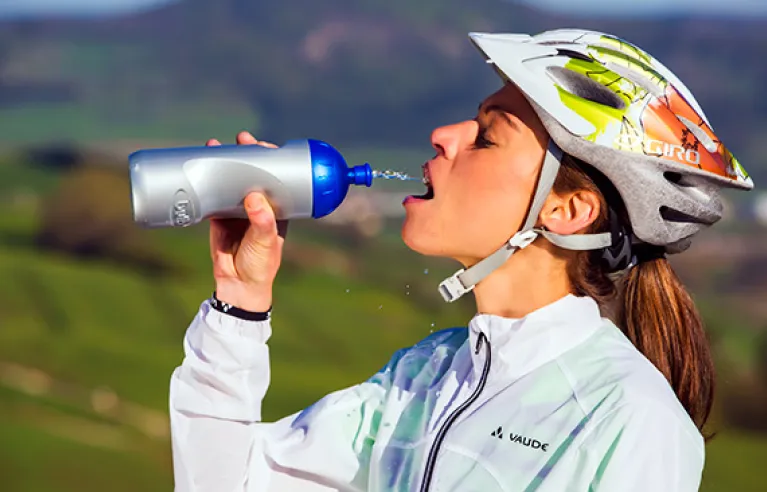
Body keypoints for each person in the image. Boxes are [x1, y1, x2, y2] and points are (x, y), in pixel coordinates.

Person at [168, 29, 753, 492]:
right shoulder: (422, 378)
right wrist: (239, 302)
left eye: (485, 137)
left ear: (568, 210)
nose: (444, 134)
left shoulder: (627, 418)